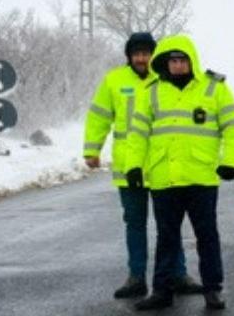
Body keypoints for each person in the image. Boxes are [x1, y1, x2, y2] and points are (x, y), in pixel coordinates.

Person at [125, 34, 234, 311]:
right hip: (164, 178)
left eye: (182, 60)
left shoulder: (215, 89)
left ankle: (213, 289)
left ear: (192, 61)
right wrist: (133, 165)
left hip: (201, 177)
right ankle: (162, 292)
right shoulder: (152, 92)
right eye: (172, 60)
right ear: (164, 63)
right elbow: (138, 133)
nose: (177, 65)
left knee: (207, 236)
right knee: (166, 237)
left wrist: (230, 161)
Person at [83, 31, 202, 299]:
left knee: (169, 225)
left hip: (163, 167)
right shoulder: (114, 80)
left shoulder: (166, 79)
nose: (141, 58)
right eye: (136, 53)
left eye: (146, 53)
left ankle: (178, 274)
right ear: (129, 56)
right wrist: (92, 149)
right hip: (130, 169)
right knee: (135, 223)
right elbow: (99, 116)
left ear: (153, 55)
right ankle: (136, 277)